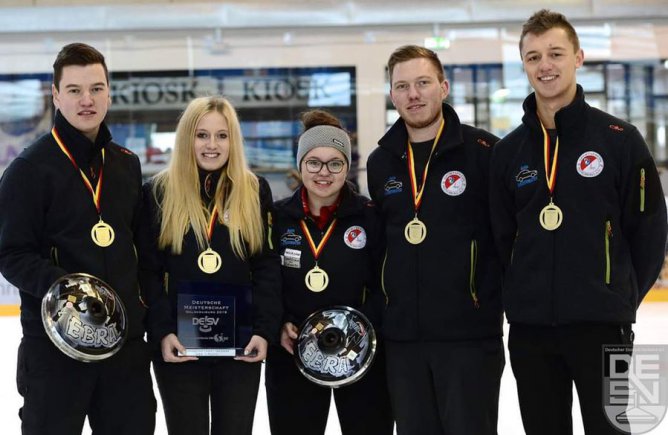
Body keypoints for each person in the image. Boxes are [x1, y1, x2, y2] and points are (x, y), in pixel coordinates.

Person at [489, 9, 668, 435]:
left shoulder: (620, 140)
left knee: (621, 429)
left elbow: (649, 231)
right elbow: (501, 238)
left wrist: (619, 297)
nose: (545, 66)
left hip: (605, 324)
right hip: (532, 331)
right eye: (533, 57)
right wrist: (521, 295)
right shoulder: (509, 152)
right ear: (524, 66)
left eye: (555, 53)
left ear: (578, 57)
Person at [0, 43, 156, 435]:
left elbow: (139, 250)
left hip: (124, 350)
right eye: (74, 90)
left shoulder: (126, 164)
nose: (87, 100)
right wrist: (66, 290)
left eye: (96, 88)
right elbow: (11, 253)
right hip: (56, 352)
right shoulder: (28, 170)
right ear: (55, 95)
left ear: (108, 91)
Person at [366, 45, 504, 435]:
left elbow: (506, 238)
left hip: (470, 337)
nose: (414, 94)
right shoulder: (381, 163)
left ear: (443, 87)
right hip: (403, 340)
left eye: (423, 83)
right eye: (403, 86)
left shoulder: (484, 152)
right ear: (392, 95)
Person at [137, 96, 282, 435]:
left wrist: (263, 330)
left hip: (240, 346)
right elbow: (148, 271)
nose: (212, 145)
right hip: (180, 346)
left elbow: (265, 265)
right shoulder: (158, 192)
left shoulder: (253, 189)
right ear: (187, 138)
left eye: (222, 135)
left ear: (234, 140)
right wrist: (162, 332)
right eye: (202, 135)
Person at [265, 109, 394, 435]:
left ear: (347, 167)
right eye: (313, 162)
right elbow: (264, 280)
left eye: (335, 163)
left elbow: (387, 282)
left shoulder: (369, 217)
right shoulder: (277, 218)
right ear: (300, 165)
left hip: (361, 352)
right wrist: (278, 324)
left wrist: (365, 327)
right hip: (294, 353)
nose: (324, 172)